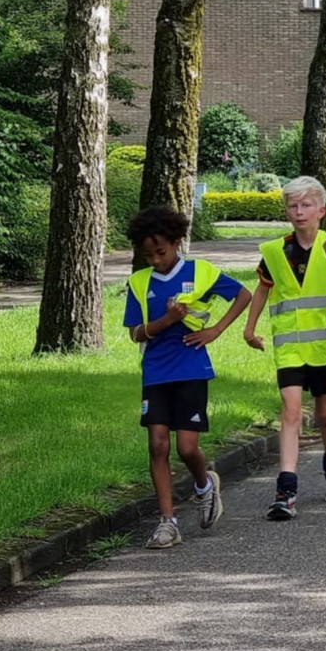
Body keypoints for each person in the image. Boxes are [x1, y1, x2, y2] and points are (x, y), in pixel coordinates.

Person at [123, 206, 252, 549]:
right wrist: (165, 321)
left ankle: (204, 484)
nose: (155, 260)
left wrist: (216, 330)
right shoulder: (139, 283)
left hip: (192, 367)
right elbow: (136, 333)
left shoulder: (201, 272)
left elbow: (243, 294)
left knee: (186, 447)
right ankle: (168, 523)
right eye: (148, 255)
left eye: (161, 252)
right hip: (155, 370)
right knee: (157, 443)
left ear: (178, 243)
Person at [242, 176, 326, 522]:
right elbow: (263, 288)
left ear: (322, 210)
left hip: (325, 346)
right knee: (290, 411)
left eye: (306, 205)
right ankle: (286, 488)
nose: (299, 211)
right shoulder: (276, 251)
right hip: (289, 345)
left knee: (324, 414)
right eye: (292, 206)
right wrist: (249, 327)